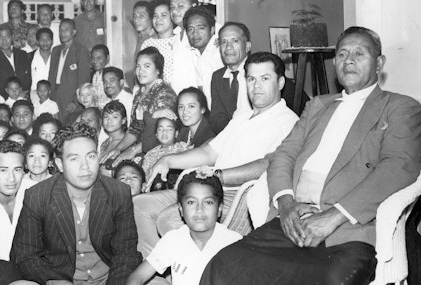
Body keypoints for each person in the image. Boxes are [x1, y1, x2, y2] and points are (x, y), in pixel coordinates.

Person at [199, 26, 421, 285]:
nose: (348, 60)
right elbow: (282, 156)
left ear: (379, 62)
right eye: (342, 54)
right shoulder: (318, 105)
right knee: (223, 264)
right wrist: (285, 204)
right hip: (289, 221)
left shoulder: (400, 107)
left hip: (347, 230)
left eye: (359, 54)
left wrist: (334, 216)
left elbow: (398, 167)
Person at [135, 52, 299, 258]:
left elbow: (268, 164)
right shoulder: (242, 118)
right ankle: (163, 276)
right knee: (140, 205)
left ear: (281, 82)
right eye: (251, 79)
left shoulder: (288, 121)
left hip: (235, 195)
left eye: (265, 78)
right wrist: (167, 160)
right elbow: (209, 151)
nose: (256, 86)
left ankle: (194, 275)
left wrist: (217, 175)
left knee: (168, 219)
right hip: (208, 186)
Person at [7, 122, 142, 284]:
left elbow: (126, 254)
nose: (85, 166)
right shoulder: (37, 196)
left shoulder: (118, 193)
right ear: (59, 164)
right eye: (74, 158)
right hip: (60, 279)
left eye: (91, 156)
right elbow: (25, 255)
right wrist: (51, 280)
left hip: (108, 279)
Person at [127, 173, 241, 285]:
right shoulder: (173, 239)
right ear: (181, 209)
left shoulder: (233, 243)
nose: (199, 209)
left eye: (208, 202)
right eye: (191, 202)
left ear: (219, 208)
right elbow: (138, 276)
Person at [101, 46, 177, 164]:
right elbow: (135, 128)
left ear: (158, 70)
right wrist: (118, 149)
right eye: (138, 66)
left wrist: (132, 150)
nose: (141, 71)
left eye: (147, 66)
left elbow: (162, 134)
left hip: (159, 152)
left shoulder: (165, 93)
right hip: (139, 148)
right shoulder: (139, 93)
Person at [210, 22, 252, 134]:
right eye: (223, 42)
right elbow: (216, 117)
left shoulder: (259, 72)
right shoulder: (217, 77)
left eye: (235, 41)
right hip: (229, 139)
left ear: (247, 46)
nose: (228, 47)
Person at [178, 6, 223, 104]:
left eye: (201, 28)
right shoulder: (193, 54)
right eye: (190, 29)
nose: (195, 34)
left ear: (212, 30)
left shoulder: (220, 52)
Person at [48, 18, 90, 123]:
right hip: (55, 95)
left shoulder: (81, 51)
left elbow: (83, 80)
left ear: (74, 32)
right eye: (61, 30)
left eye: (66, 29)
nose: (63, 33)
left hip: (71, 96)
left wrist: (75, 102)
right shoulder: (55, 50)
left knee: (69, 125)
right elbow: (51, 75)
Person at [0, 23, 31, 99]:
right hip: (1, 99)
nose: (4, 41)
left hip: (23, 97)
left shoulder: (22, 55)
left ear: (12, 37)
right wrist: (13, 94)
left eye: (7, 37)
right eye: (1, 37)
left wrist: (21, 92)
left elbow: (28, 78)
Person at [142, 117, 189, 192]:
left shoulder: (182, 147)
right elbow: (146, 174)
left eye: (169, 129)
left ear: (176, 133)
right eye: (160, 129)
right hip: (156, 190)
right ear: (156, 134)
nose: (164, 132)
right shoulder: (150, 154)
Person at [141, 0, 176, 84]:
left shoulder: (180, 41)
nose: (158, 19)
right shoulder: (147, 44)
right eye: (155, 16)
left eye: (163, 15)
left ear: (172, 17)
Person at [29, 28, 53, 102]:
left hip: (52, 95)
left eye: (48, 39)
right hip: (34, 95)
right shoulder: (29, 57)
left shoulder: (57, 57)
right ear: (37, 42)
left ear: (52, 41)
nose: (45, 42)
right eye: (42, 40)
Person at [91, 44, 111, 108]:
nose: (95, 61)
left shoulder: (112, 73)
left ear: (107, 58)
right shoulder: (95, 75)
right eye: (93, 58)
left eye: (99, 58)